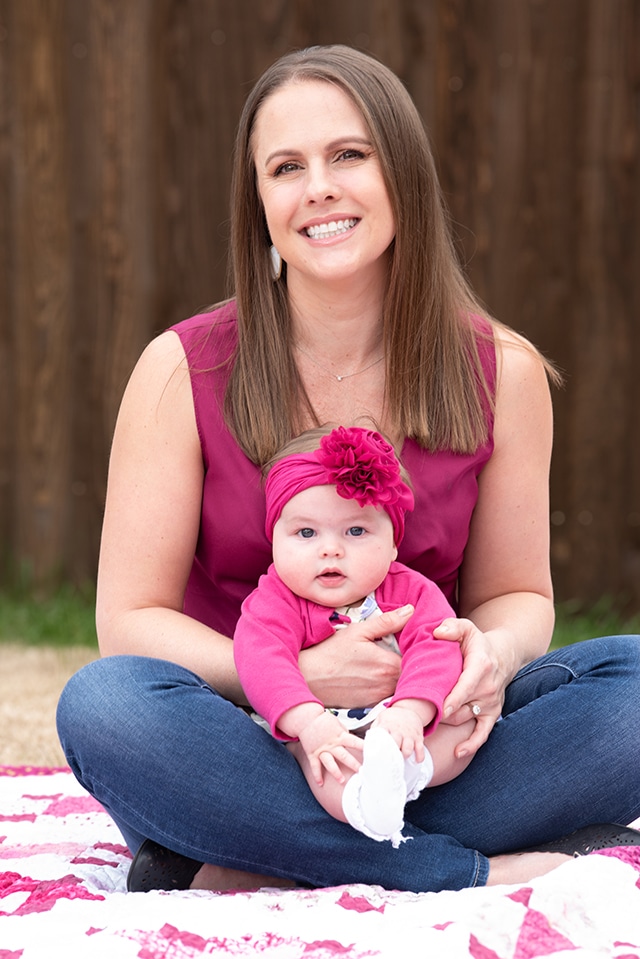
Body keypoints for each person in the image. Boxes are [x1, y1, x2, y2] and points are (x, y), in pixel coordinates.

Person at [56, 44, 640, 895]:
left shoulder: (502, 370)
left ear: (400, 173)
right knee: (105, 707)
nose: (319, 187)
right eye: (286, 167)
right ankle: (458, 866)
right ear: (259, 204)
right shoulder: (181, 369)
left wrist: (491, 653)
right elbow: (130, 621)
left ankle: (244, 859)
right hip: (246, 736)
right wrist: (299, 682)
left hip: (428, 742)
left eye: (348, 155)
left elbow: (519, 594)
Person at [235, 425, 477, 848]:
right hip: (326, 728)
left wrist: (410, 713)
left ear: (393, 544)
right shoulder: (274, 600)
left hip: (403, 728)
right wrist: (310, 723)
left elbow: (437, 650)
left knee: (465, 722)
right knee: (324, 766)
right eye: (306, 534)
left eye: (356, 532)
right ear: (274, 539)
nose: (330, 550)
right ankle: (365, 805)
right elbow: (261, 662)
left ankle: (404, 775)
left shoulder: (412, 592)